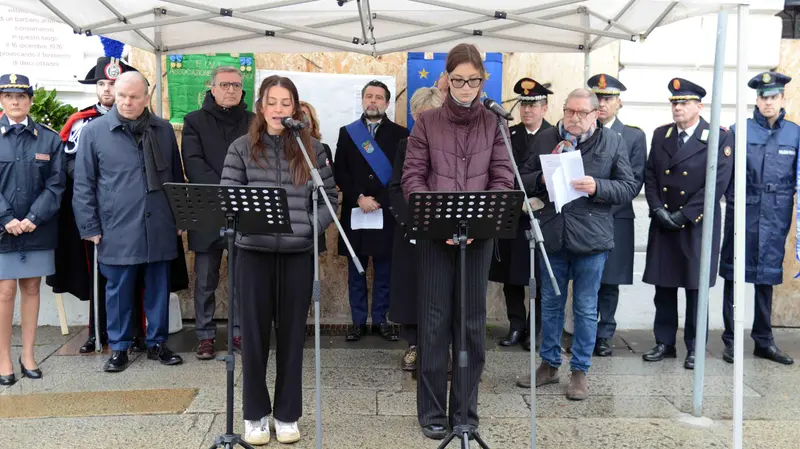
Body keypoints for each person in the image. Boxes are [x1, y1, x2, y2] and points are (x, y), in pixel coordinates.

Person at [401, 43, 514, 440]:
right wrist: (437, 221)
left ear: (483, 81)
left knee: (470, 326)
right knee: (434, 326)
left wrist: (481, 223)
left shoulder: (494, 124)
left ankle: (465, 411)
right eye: (460, 80)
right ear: (447, 79)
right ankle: (431, 410)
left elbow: (503, 177)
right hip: (436, 239)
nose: (467, 87)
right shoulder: (427, 122)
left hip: (478, 240)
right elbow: (413, 178)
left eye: (474, 80)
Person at [221, 75, 337, 445]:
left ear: (295, 108)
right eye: (271, 102)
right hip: (252, 255)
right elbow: (228, 197)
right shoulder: (241, 148)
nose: (277, 109)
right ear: (260, 107)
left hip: (297, 255)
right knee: (253, 338)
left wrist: (308, 232)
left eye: (285, 103)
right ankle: (255, 414)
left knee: (291, 338)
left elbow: (331, 199)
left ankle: (287, 415)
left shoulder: (312, 150)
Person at [515, 88, 637, 400]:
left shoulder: (612, 142)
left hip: (592, 238)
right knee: (550, 303)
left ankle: (580, 371)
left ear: (596, 114)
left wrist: (599, 186)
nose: (574, 118)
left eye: (582, 113)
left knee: (585, 307)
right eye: (569, 111)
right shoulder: (544, 139)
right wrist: (541, 180)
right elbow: (521, 178)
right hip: (553, 234)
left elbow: (628, 187)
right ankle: (550, 364)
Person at [73, 71, 186, 373]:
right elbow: (83, 183)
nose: (126, 102)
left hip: (159, 222)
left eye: (134, 97)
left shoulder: (162, 130)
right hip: (116, 225)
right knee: (119, 289)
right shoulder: (95, 131)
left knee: (158, 287)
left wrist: (179, 217)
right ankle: (119, 347)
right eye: (121, 95)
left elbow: (175, 177)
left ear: (146, 98)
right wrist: (89, 226)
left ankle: (157, 342)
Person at [46, 57, 155, 354]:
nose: (108, 90)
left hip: (134, 212)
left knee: (138, 276)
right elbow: (67, 163)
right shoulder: (82, 121)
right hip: (97, 208)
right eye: (103, 84)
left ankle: (137, 332)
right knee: (101, 275)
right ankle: (99, 331)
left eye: (112, 84)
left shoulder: (148, 122)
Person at [642, 78, 733, 370]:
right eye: (674, 103)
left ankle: (695, 347)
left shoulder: (718, 136)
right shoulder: (661, 135)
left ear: (699, 106)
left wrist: (685, 215)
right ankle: (664, 342)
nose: (677, 108)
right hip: (664, 220)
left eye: (683, 103)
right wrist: (657, 208)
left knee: (695, 288)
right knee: (664, 287)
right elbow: (650, 175)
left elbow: (716, 183)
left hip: (696, 224)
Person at [719, 72, 797, 366]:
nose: (768, 102)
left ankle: (763, 340)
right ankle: (730, 340)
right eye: (763, 97)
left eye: (773, 97)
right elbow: (726, 173)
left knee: (766, 278)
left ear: (782, 99)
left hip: (776, 214)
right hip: (745, 211)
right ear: (757, 99)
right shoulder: (740, 130)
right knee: (733, 274)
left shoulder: (794, 133)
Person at [182, 66, 255, 360]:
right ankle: (205, 336)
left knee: (242, 278)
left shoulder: (253, 122)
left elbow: (258, 160)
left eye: (236, 85)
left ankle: (238, 332)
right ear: (212, 88)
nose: (231, 90)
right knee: (205, 279)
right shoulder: (194, 121)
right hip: (207, 210)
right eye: (224, 85)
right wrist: (227, 189)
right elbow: (193, 163)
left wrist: (237, 193)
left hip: (245, 212)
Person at [0, 73, 65, 386]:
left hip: (36, 228)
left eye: (22, 96)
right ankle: (3, 358)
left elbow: (56, 184)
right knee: (4, 291)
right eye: (9, 96)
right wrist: (6, 218)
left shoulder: (49, 138)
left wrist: (33, 218)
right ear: (1, 100)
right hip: (2, 229)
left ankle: (27, 355)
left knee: (31, 288)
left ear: (30, 100)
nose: (16, 102)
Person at [335, 80, 408, 342]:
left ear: (387, 103)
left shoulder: (401, 134)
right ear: (363, 100)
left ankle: (381, 320)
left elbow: (402, 174)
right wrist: (358, 197)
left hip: (385, 211)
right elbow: (339, 170)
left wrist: (377, 199)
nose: (373, 101)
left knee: (384, 271)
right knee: (356, 270)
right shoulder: (348, 132)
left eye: (379, 97)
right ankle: (357, 322)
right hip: (356, 211)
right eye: (369, 96)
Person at [488, 77, 552, 350]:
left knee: (538, 275)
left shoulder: (554, 136)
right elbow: (499, 170)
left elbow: (559, 173)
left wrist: (541, 200)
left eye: (534, 104)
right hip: (512, 215)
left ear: (545, 107)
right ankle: (516, 325)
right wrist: (516, 202)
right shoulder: (507, 134)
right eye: (524, 104)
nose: (527, 110)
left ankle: (535, 329)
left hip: (543, 216)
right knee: (511, 276)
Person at [587, 73, 647, 357]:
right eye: (598, 97)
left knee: (609, 280)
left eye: (608, 98)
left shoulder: (633, 136)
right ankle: (585, 332)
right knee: (587, 279)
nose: (602, 103)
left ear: (619, 102)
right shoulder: (583, 132)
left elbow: (633, 182)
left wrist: (598, 198)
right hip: (585, 217)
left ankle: (604, 334)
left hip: (615, 217)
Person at [387, 87, 444, 371]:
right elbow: (396, 187)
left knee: (440, 289)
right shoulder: (405, 145)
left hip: (442, 229)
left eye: (429, 116)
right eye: (418, 116)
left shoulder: (451, 143)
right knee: (411, 288)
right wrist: (413, 219)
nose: (423, 122)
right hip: (411, 228)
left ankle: (439, 345)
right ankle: (413, 344)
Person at [300, 101, 334, 255]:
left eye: (305, 116)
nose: (301, 120)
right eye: (297, 116)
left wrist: (316, 221)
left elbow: (328, 188)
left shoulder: (322, 149)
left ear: (312, 123)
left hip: (312, 218)